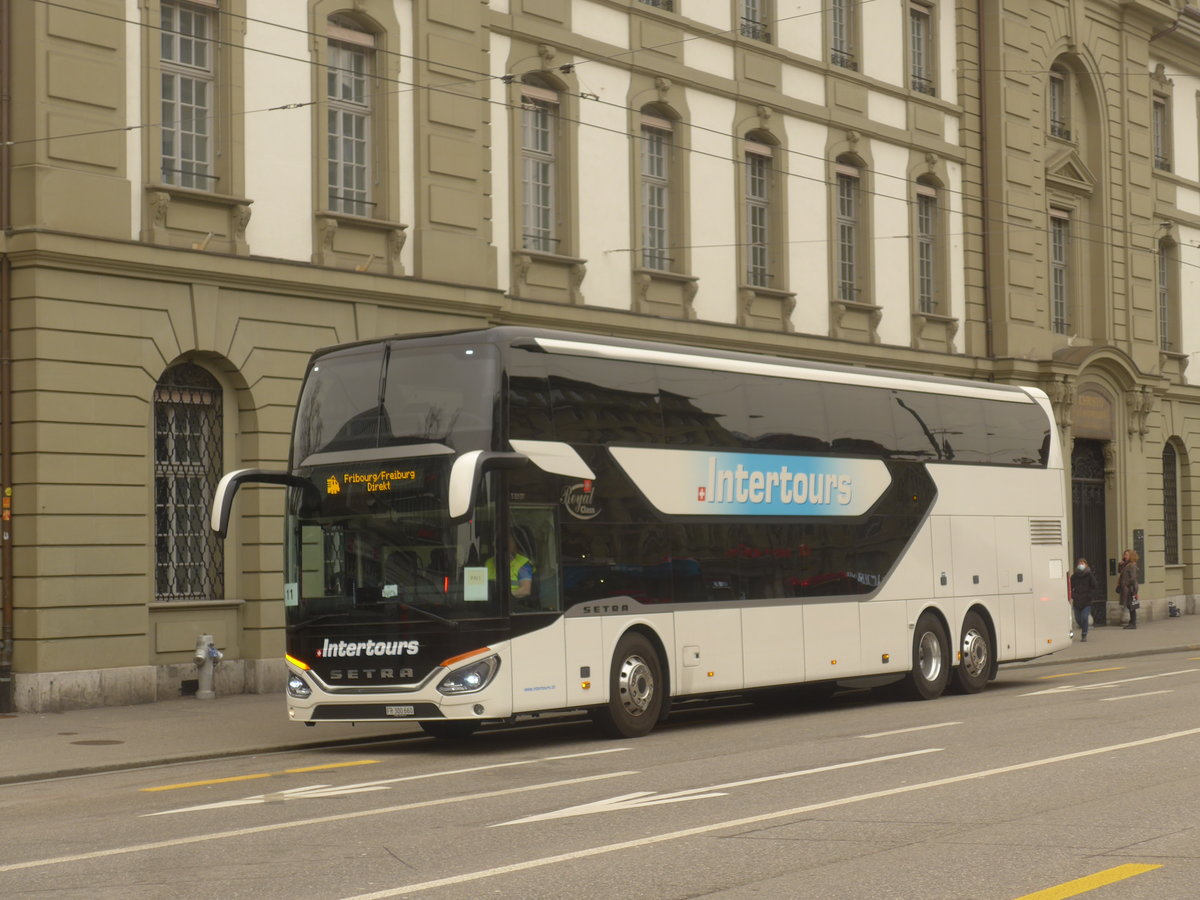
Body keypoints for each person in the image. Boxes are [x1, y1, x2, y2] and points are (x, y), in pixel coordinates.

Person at [486, 531, 535, 602]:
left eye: (508, 542)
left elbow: (525, 590)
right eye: (500, 542)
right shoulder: (488, 562)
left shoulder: (522, 563)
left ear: (514, 544)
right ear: (494, 544)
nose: (504, 545)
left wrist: (506, 596)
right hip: (490, 603)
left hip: (513, 603)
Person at [1069, 558, 1099, 642]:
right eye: (1080, 563)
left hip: (1086, 601)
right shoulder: (1074, 576)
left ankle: (1084, 634)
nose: (1081, 565)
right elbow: (1070, 587)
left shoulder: (1089, 575)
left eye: (1083, 563)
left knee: (1084, 617)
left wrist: (1090, 595)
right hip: (1077, 600)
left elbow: (1095, 586)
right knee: (1078, 619)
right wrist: (1073, 595)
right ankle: (1084, 628)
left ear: (1086, 565)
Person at [1117, 548, 1140, 629]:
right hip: (1127, 588)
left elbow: (1133, 577)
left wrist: (1126, 584)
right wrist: (1121, 564)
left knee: (1131, 606)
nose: (1125, 556)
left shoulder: (1132, 566)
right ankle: (1131, 622)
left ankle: (1133, 623)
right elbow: (1119, 571)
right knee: (1129, 605)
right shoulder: (1126, 565)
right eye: (1124, 555)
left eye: (1126, 555)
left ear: (1131, 556)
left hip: (1130, 589)